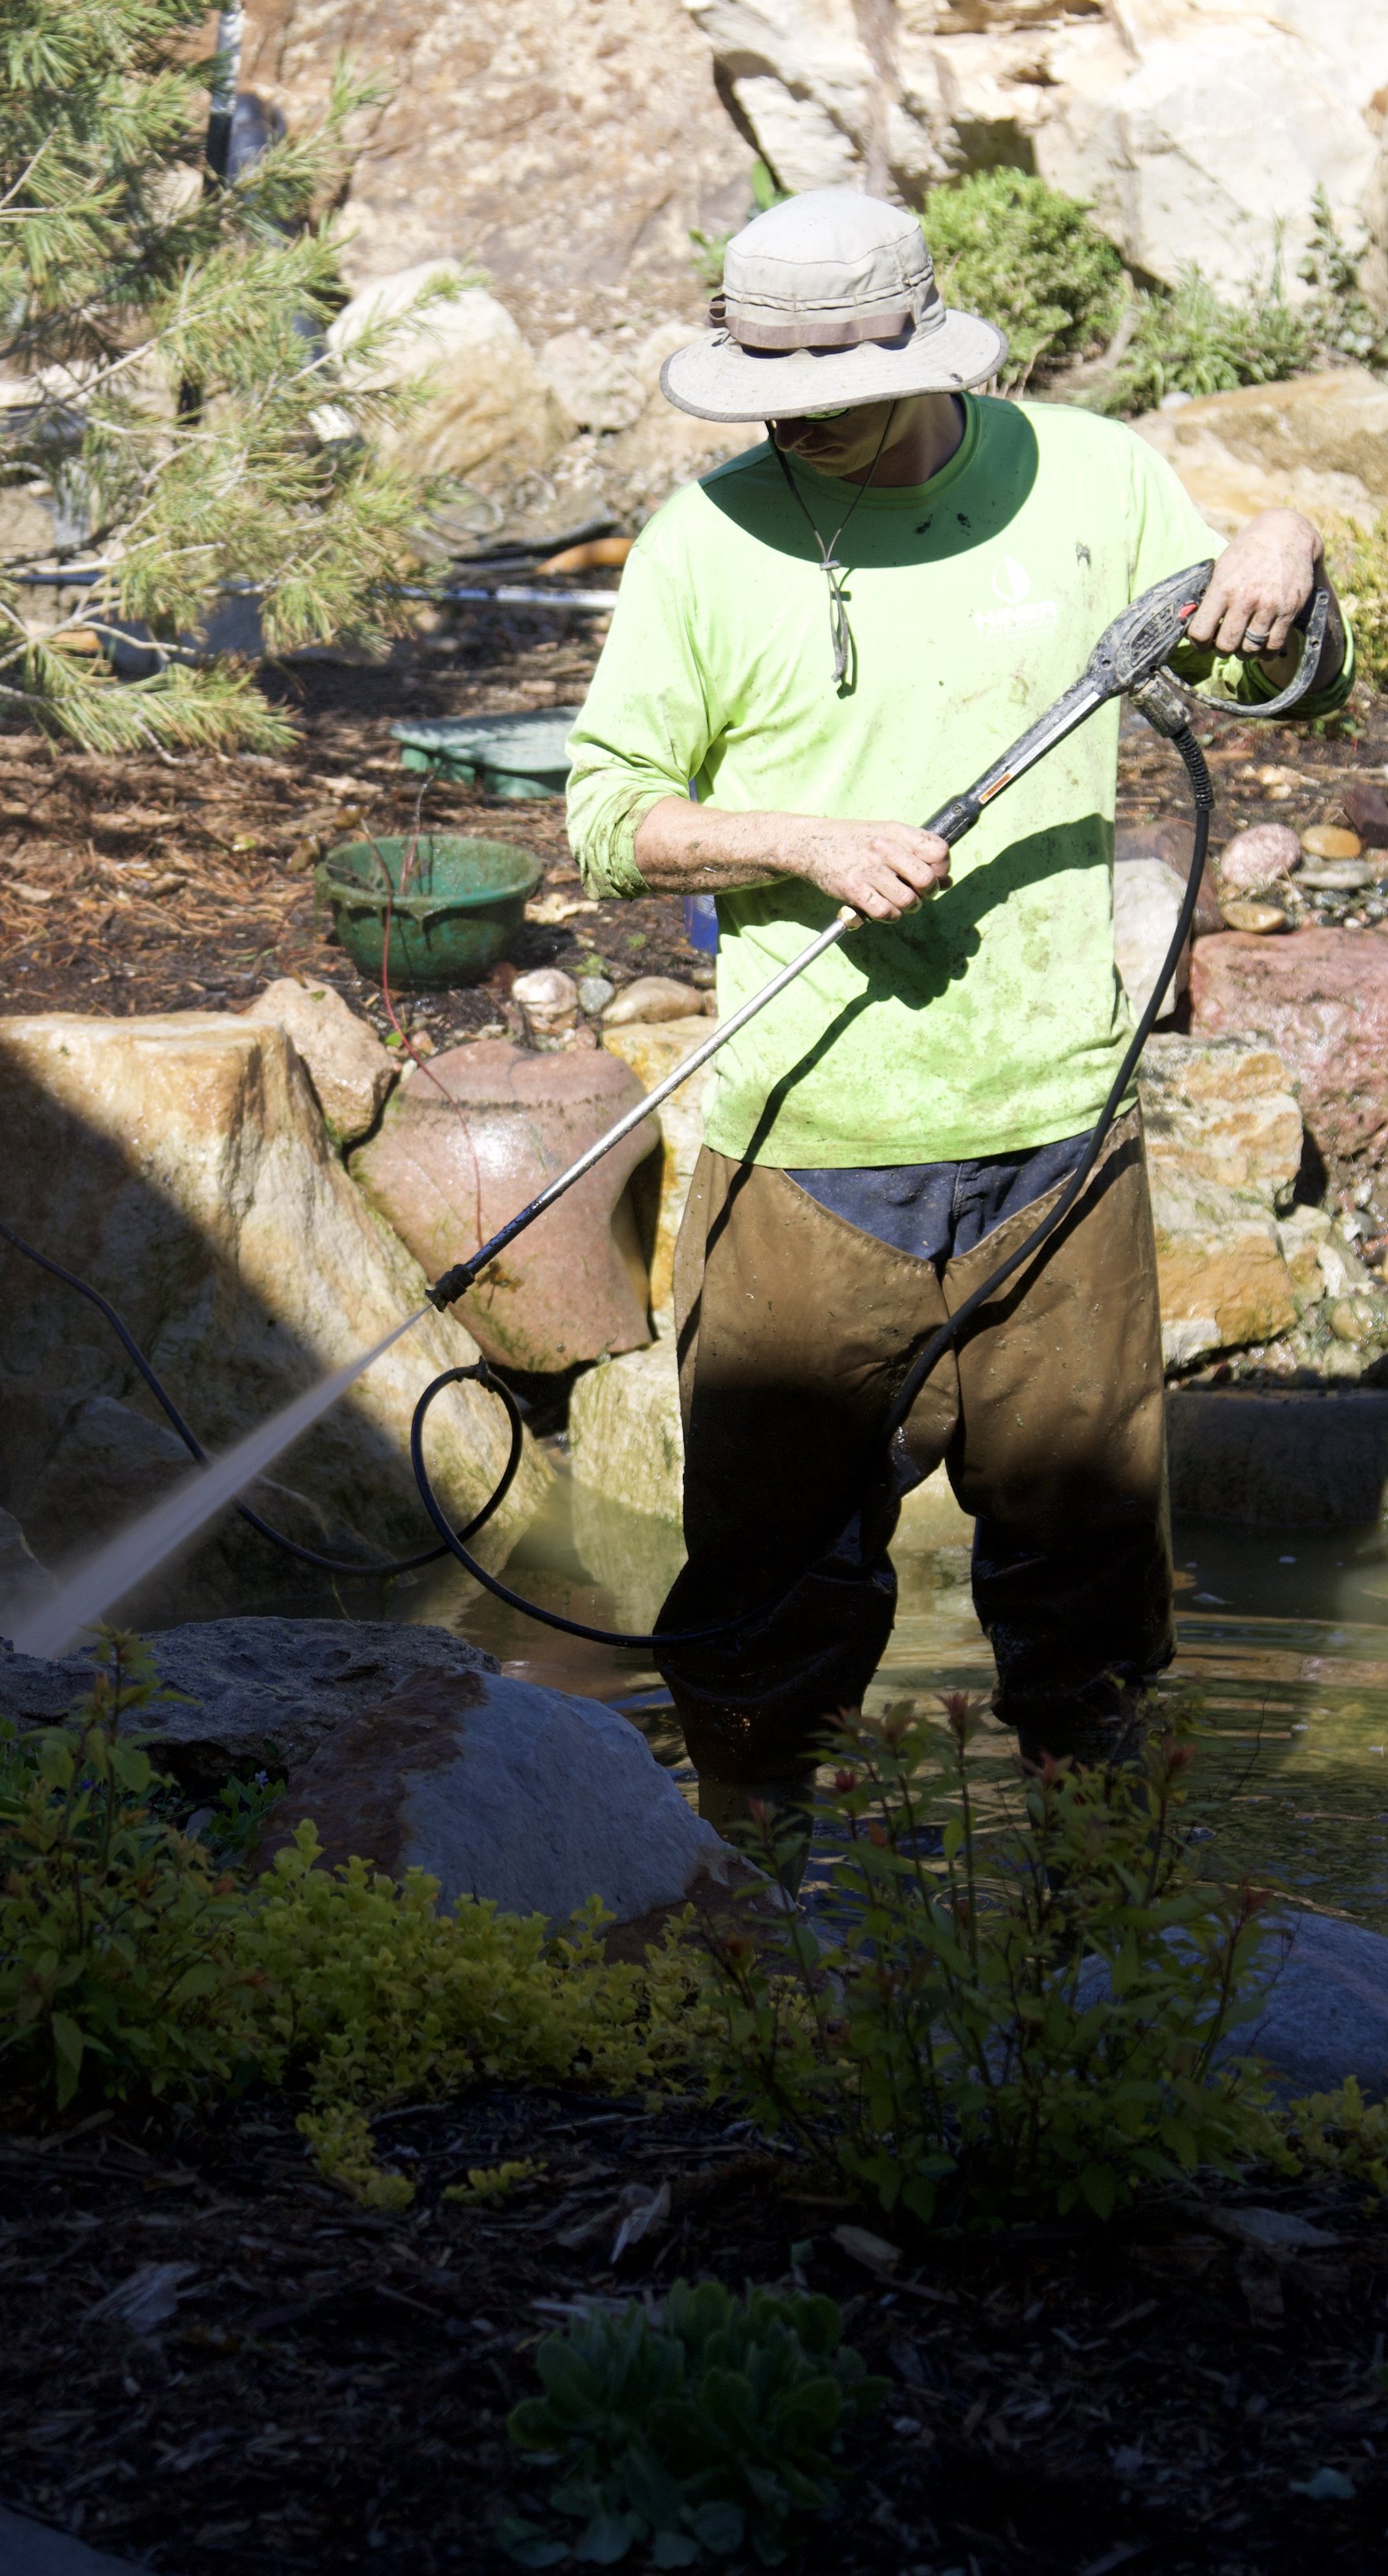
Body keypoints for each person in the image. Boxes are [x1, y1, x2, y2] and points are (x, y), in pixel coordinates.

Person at [566, 186, 1349, 1829]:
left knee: (1085, 1592)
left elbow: (1259, 671)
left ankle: (1090, 1938)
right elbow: (605, 811)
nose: (799, 427)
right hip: (808, 1149)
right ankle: (748, 1910)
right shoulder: (701, 546)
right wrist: (799, 840)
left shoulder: (1092, 482)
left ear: (925, 355)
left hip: (1057, 1141)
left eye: (833, 397)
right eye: (770, 396)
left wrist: (1283, 559)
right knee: (767, 1596)